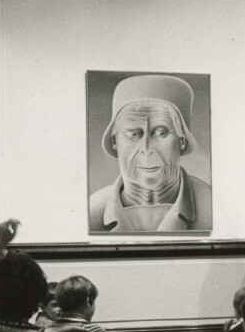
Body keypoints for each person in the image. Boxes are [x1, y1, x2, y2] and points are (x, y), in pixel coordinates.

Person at [88, 74, 212, 233]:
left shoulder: (212, 209)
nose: (146, 149)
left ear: (182, 141)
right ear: (114, 141)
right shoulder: (92, 214)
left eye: (161, 133)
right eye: (133, 134)